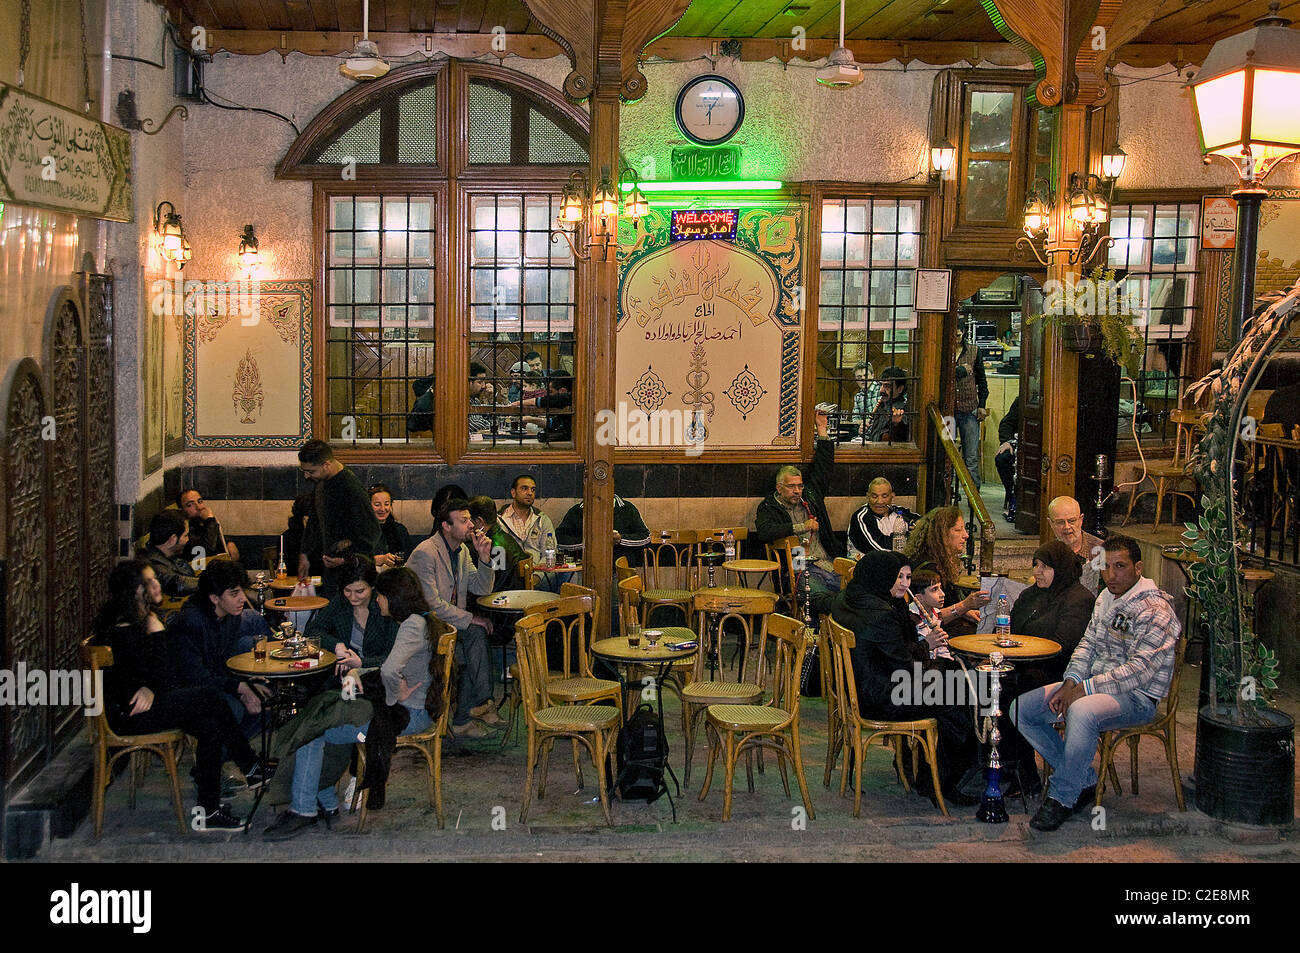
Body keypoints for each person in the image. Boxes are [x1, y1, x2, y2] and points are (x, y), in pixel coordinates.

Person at [1010, 534, 1180, 832]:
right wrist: (1071, 681)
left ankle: (1062, 796)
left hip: (1137, 698)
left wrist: (1083, 689)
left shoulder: (1156, 610)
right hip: (1092, 686)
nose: (1111, 575)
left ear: (1138, 568)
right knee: (1020, 709)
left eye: (1120, 566)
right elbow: (1087, 645)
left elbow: (1139, 671)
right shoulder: (1105, 598)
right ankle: (1083, 779)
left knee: (1083, 711)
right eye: (1106, 567)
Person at [263, 568, 442, 840]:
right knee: (330, 713)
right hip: (415, 709)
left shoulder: (410, 625)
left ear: (392, 598)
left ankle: (304, 808)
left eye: (379, 596)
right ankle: (323, 799)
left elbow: (391, 669)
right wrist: (364, 674)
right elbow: (392, 667)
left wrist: (396, 695)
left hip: (410, 715)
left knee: (318, 729)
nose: (377, 601)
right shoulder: (421, 620)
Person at [94, 560, 268, 833]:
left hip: (153, 703)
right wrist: (157, 640)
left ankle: (209, 810)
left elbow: (157, 680)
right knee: (212, 698)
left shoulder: (143, 621)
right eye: (150, 582)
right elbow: (148, 678)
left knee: (210, 726)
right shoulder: (124, 628)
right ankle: (250, 766)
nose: (158, 585)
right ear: (136, 591)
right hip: (130, 715)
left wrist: (151, 683)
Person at [831, 550, 977, 807]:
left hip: (856, 689)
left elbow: (890, 653)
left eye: (907, 577)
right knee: (962, 697)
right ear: (881, 576)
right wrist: (927, 645)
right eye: (897, 577)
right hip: (883, 697)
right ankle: (941, 781)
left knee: (951, 680)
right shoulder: (881, 614)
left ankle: (921, 769)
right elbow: (906, 667)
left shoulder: (849, 597)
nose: (904, 584)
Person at [407, 497, 499, 739]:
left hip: (448, 625)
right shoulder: (426, 552)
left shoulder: (463, 551)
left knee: (476, 637)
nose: (471, 525)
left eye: (470, 519)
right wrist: (471, 618)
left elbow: (482, 589)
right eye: (464, 520)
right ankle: (478, 705)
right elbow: (432, 604)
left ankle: (476, 708)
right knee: (473, 638)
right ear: (446, 526)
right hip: (425, 626)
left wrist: (485, 558)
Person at [169, 561, 273, 739]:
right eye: (234, 593)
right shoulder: (191, 622)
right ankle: (226, 758)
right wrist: (240, 689)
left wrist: (246, 685)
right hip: (186, 693)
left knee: (267, 705)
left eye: (241, 590)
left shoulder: (231, 616)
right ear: (214, 598)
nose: (242, 598)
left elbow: (226, 663)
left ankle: (236, 755)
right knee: (233, 710)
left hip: (215, 682)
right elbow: (196, 677)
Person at [754, 409, 843, 607]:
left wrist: (822, 429)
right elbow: (765, 532)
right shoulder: (769, 506)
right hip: (798, 569)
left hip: (828, 563)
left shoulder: (810, 497)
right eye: (791, 486)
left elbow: (823, 469)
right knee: (822, 599)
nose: (797, 491)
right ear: (779, 487)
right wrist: (801, 526)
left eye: (799, 486)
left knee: (857, 592)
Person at [297, 439, 382, 597]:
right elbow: (315, 521)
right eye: (304, 471)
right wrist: (304, 554)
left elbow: (372, 533)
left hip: (354, 577)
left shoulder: (351, 489)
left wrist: (345, 560)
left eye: (311, 471)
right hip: (331, 571)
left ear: (326, 465)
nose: (306, 476)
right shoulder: (322, 483)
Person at [902, 506, 990, 637]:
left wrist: (966, 612)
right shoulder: (927, 569)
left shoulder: (940, 562)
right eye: (958, 530)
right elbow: (929, 615)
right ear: (942, 535)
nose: (966, 535)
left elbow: (944, 605)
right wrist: (965, 605)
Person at [304, 561, 397, 670]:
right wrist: (337, 645)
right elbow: (312, 630)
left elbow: (392, 656)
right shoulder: (340, 602)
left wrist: (361, 663)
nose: (352, 597)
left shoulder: (385, 607)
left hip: (377, 674)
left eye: (360, 591)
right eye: (347, 590)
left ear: (372, 586)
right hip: (344, 673)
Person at [497, 474, 561, 591]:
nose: (530, 493)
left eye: (533, 489)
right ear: (513, 492)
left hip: (538, 576)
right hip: (510, 578)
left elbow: (550, 554)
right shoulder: (499, 520)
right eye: (524, 488)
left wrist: (536, 577)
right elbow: (498, 558)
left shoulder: (542, 519)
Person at [952, 323, 989, 486]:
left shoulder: (974, 351)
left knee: (971, 457)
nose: (955, 339)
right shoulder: (943, 351)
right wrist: (959, 370)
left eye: (958, 335)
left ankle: (975, 499)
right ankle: (947, 493)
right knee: (947, 454)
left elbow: (982, 380)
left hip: (969, 408)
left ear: (964, 333)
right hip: (948, 410)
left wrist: (982, 404)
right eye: (953, 335)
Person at [1047, 495, 1105, 595]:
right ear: (1050, 523)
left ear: (1081, 519)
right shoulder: (1048, 552)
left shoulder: (1100, 550)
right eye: (1060, 522)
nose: (1067, 527)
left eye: (1072, 521)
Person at [847, 478, 919, 556]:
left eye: (884, 496)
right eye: (874, 496)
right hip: (869, 564)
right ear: (868, 496)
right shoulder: (861, 517)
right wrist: (912, 537)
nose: (879, 501)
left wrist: (918, 528)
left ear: (892, 496)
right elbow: (880, 549)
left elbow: (925, 524)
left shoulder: (899, 512)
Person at [468, 495, 528, 589]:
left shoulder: (494, 547)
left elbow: (494, 586)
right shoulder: (501, 537)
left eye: (468, 520)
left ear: (479, 521)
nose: (468, 525)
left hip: (505, 598)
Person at [142, 511, 198, 597]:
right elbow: (176, 583)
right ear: (173, 539)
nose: (188, 539)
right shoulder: (153, 565)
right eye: (185, 535)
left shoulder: (168, 557)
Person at [178, 488, 239, 563]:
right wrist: (210, 520)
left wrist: (228, 542)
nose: (199, 507)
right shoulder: (184, 532)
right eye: (190, 505)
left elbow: (215, 537)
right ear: (181, 510)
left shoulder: (201, 524)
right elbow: (206, 550)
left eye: (200, 501)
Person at [369, 483, 413, 570]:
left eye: (386, 504)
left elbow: (409, 559)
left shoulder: (400, 530)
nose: (382, 509)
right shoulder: (362, 531)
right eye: (377, 505)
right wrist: (380, 559)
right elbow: (355, 560)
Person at [864, 366, 909, 443]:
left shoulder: (903, 410)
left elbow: (901, 439)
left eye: (887, 386)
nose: (881, 390)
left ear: (900, 389)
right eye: (881, 385)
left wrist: (896, 425)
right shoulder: (882, 406)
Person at [995, 396, 1020, 521]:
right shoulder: (1022, 399)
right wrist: (1006, 442)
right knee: (1002, 458)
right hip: (1018, 443)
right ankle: (1012, 496)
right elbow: (1007, 423)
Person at [848, 361, 880, 437]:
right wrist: (865, 421)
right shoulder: (858, 397)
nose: (863, 379)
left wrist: (867, 421)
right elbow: (855, 420)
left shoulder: (881, 390)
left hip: (880, 435)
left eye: (865, 375)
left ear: (872, 375)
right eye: (859, 377)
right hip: (863, 436)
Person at [468, 361, 496, 435]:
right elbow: (475, 425)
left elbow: (495, 423)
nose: (484, 386)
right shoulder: (461, 400)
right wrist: (490, 426)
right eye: (480, 382)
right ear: (469, 383)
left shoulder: (475, 401)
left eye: (484, 382)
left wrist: (490, 400)